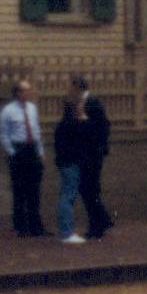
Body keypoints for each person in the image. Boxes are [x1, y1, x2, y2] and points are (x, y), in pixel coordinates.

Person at [0, 79, 47, 237]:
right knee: (20, 190)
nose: (29, 93)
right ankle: (21, 226)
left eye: (29, 90)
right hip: (18, 149)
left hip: (32, 148)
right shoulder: (8, 111)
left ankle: (36, 226)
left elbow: (36, 129)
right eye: (25, 90)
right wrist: (12, 152)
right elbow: (4, 134)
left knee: (34, 190)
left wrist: (40, 151)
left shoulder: (32, 108)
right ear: (18, 93)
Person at [70, 74, 114, 240]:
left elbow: (101, 127)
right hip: (84, 153)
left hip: (92, 154)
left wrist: (82, 119)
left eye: (72, 87)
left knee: (89, 188)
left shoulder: (93, 103)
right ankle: (102, 219)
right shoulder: (81, 103)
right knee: (88, 188)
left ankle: (97, 224)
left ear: (78, 87)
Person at [50, 93, 92, 245]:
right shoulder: (75, 124)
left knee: (66, 194)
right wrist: (84, 120)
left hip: (65, 163)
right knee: (68, 196)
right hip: (72, 163)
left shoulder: (63, 124)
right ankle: (66, 232)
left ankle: (65, 230)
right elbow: (86, 136)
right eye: (80, 105)